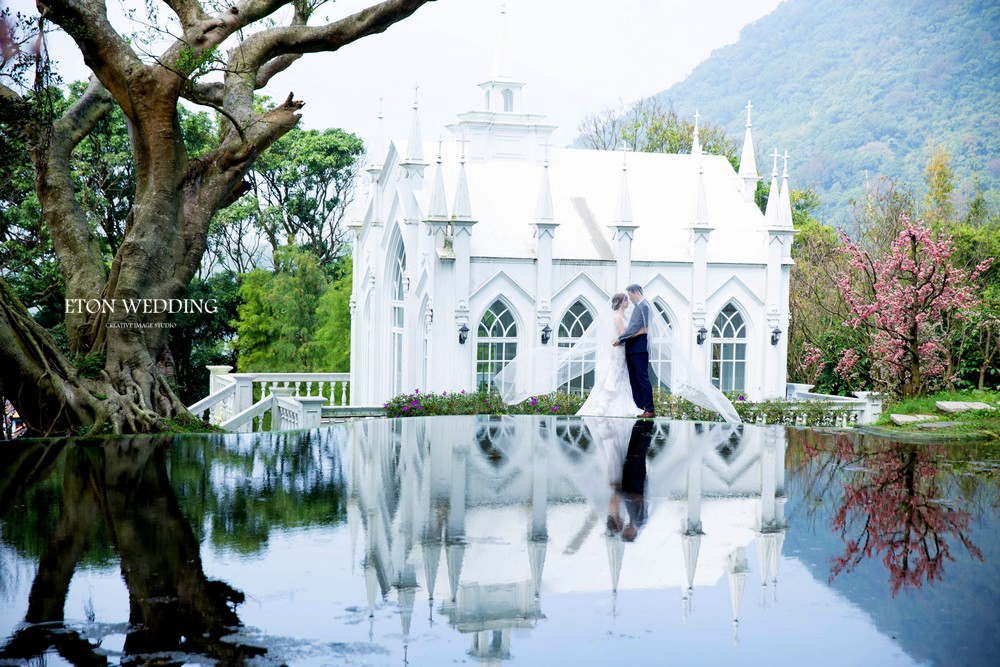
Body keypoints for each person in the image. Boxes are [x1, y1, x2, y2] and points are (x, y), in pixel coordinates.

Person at [577, 293, 642, 417]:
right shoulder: (617, 317)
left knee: (623, 376)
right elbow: (621, 334)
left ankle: (623, 405)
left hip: (625, 350)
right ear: (621, 302)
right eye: (626, 300)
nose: (628, 302)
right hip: (619, 350)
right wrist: (638, 333)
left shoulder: (624, 316)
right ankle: (605, 406)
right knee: (615, 375)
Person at [613, 284, 655, 418]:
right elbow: (634, 328)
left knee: (642, 379)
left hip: (638, 349)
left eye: (630, 296)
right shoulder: (639, 307)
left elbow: (635, 327)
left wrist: (620, 339)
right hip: (632, 349)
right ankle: (638, 408)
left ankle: (649, 409)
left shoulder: (643, 306)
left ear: (635, 292)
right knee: (634, 380)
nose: (630, 299)